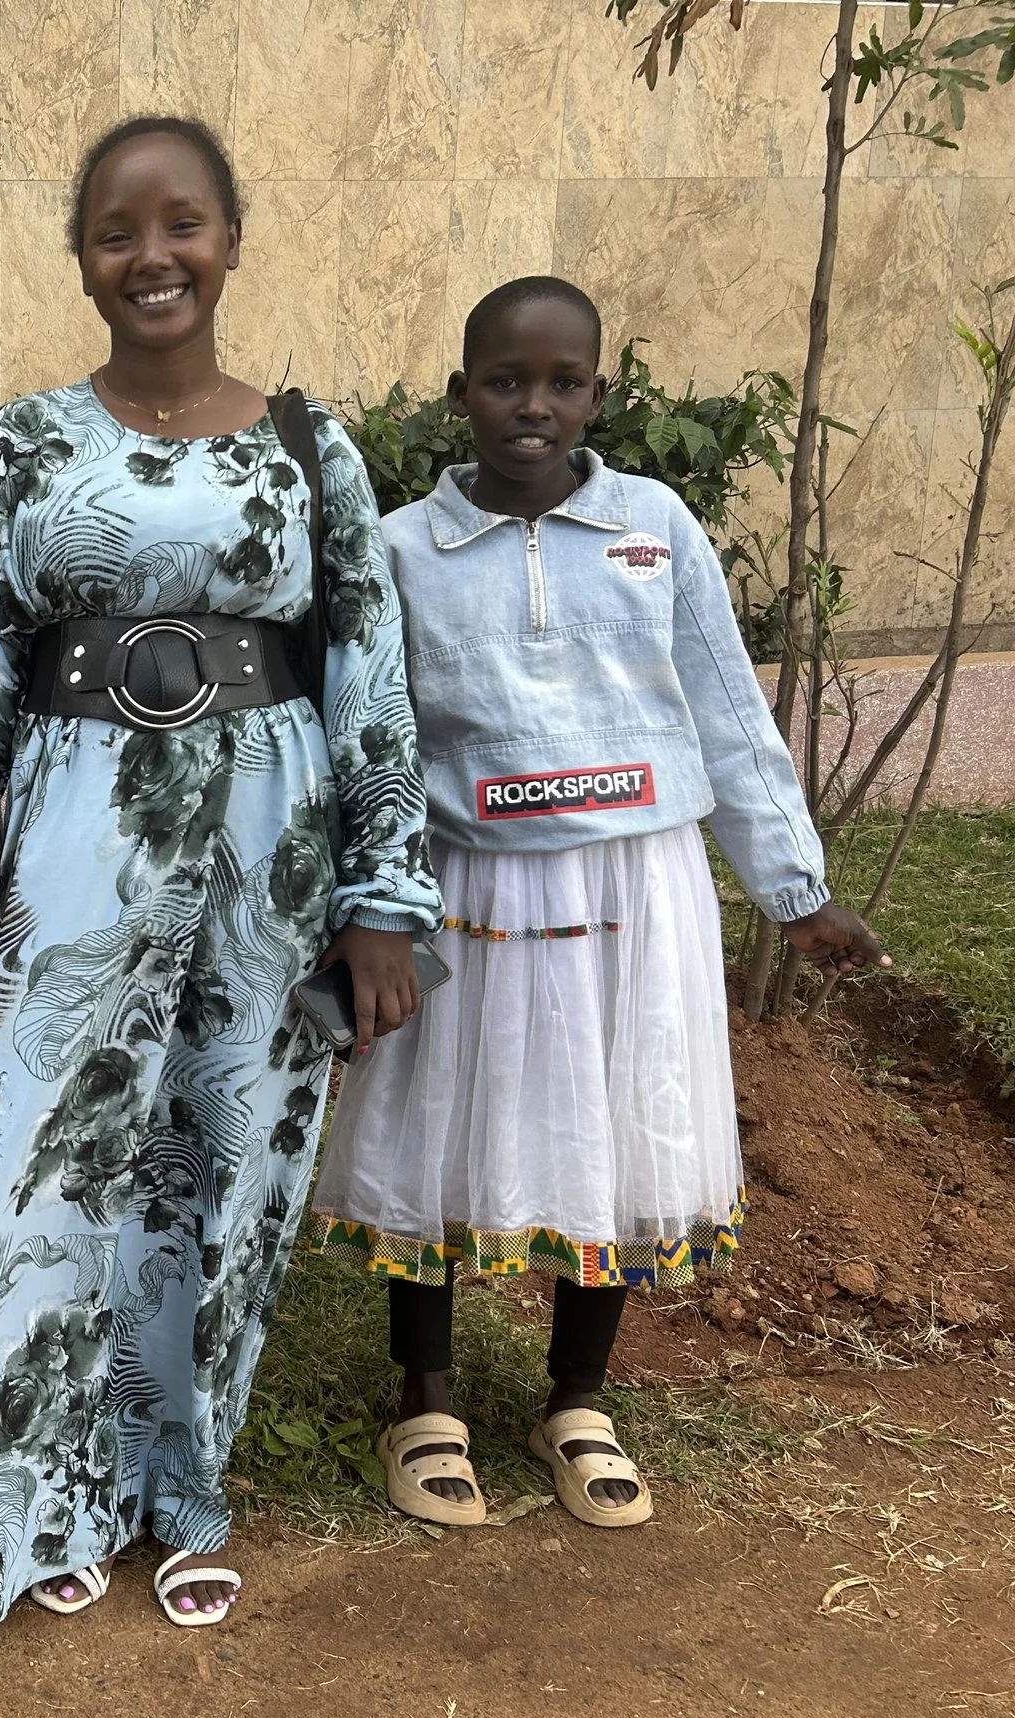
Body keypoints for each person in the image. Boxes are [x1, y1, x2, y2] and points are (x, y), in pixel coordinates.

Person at [0, 116, 441, 1680]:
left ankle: (178, 1481)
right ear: (83, 257)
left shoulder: (313, 444)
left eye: (183, 224)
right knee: (34, 1161)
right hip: (77, 831)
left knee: (223, 1158)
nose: (151, 255)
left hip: (272, 833)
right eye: (117, 230)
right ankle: (16, 1500)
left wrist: (383, 893)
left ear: (232, 240)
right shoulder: (20, 444)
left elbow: (371, 672)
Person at [309, 277, 889, 1531]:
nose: (534, 406)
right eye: (506, 382)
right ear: (459, 395)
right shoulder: (406, 547)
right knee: (435, 1119)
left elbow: (726, 708)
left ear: (597, 395)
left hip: (636, 878)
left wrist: (794, 891)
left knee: (617, 1117)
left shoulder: (656, 526)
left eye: (562, 383)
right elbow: (371, 732)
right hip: (464, 881)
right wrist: (373, 897)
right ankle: (427, 1401)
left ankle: (577, 1399)